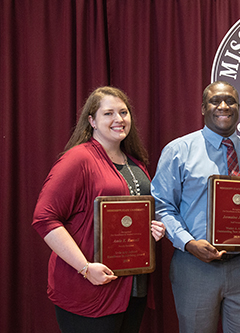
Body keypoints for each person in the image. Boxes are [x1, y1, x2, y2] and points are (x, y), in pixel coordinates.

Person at [32, 86, 166, 333]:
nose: (119, 119)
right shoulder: (78, 159)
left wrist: (150, 227)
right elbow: (45, 218)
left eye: (124, 112)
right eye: (108, 113)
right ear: (91, 120)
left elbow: (127, 217)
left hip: (132, 288)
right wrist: (85, 268)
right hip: (89, 288)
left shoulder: (135, 162)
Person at [151, 81, 240, 333]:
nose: (223, 106)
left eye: (230, 101)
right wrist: (188, 243)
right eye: (215, 101)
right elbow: (162, 206)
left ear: (239, 108)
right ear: (203, 108)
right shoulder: (178, 151)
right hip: (195, 267)